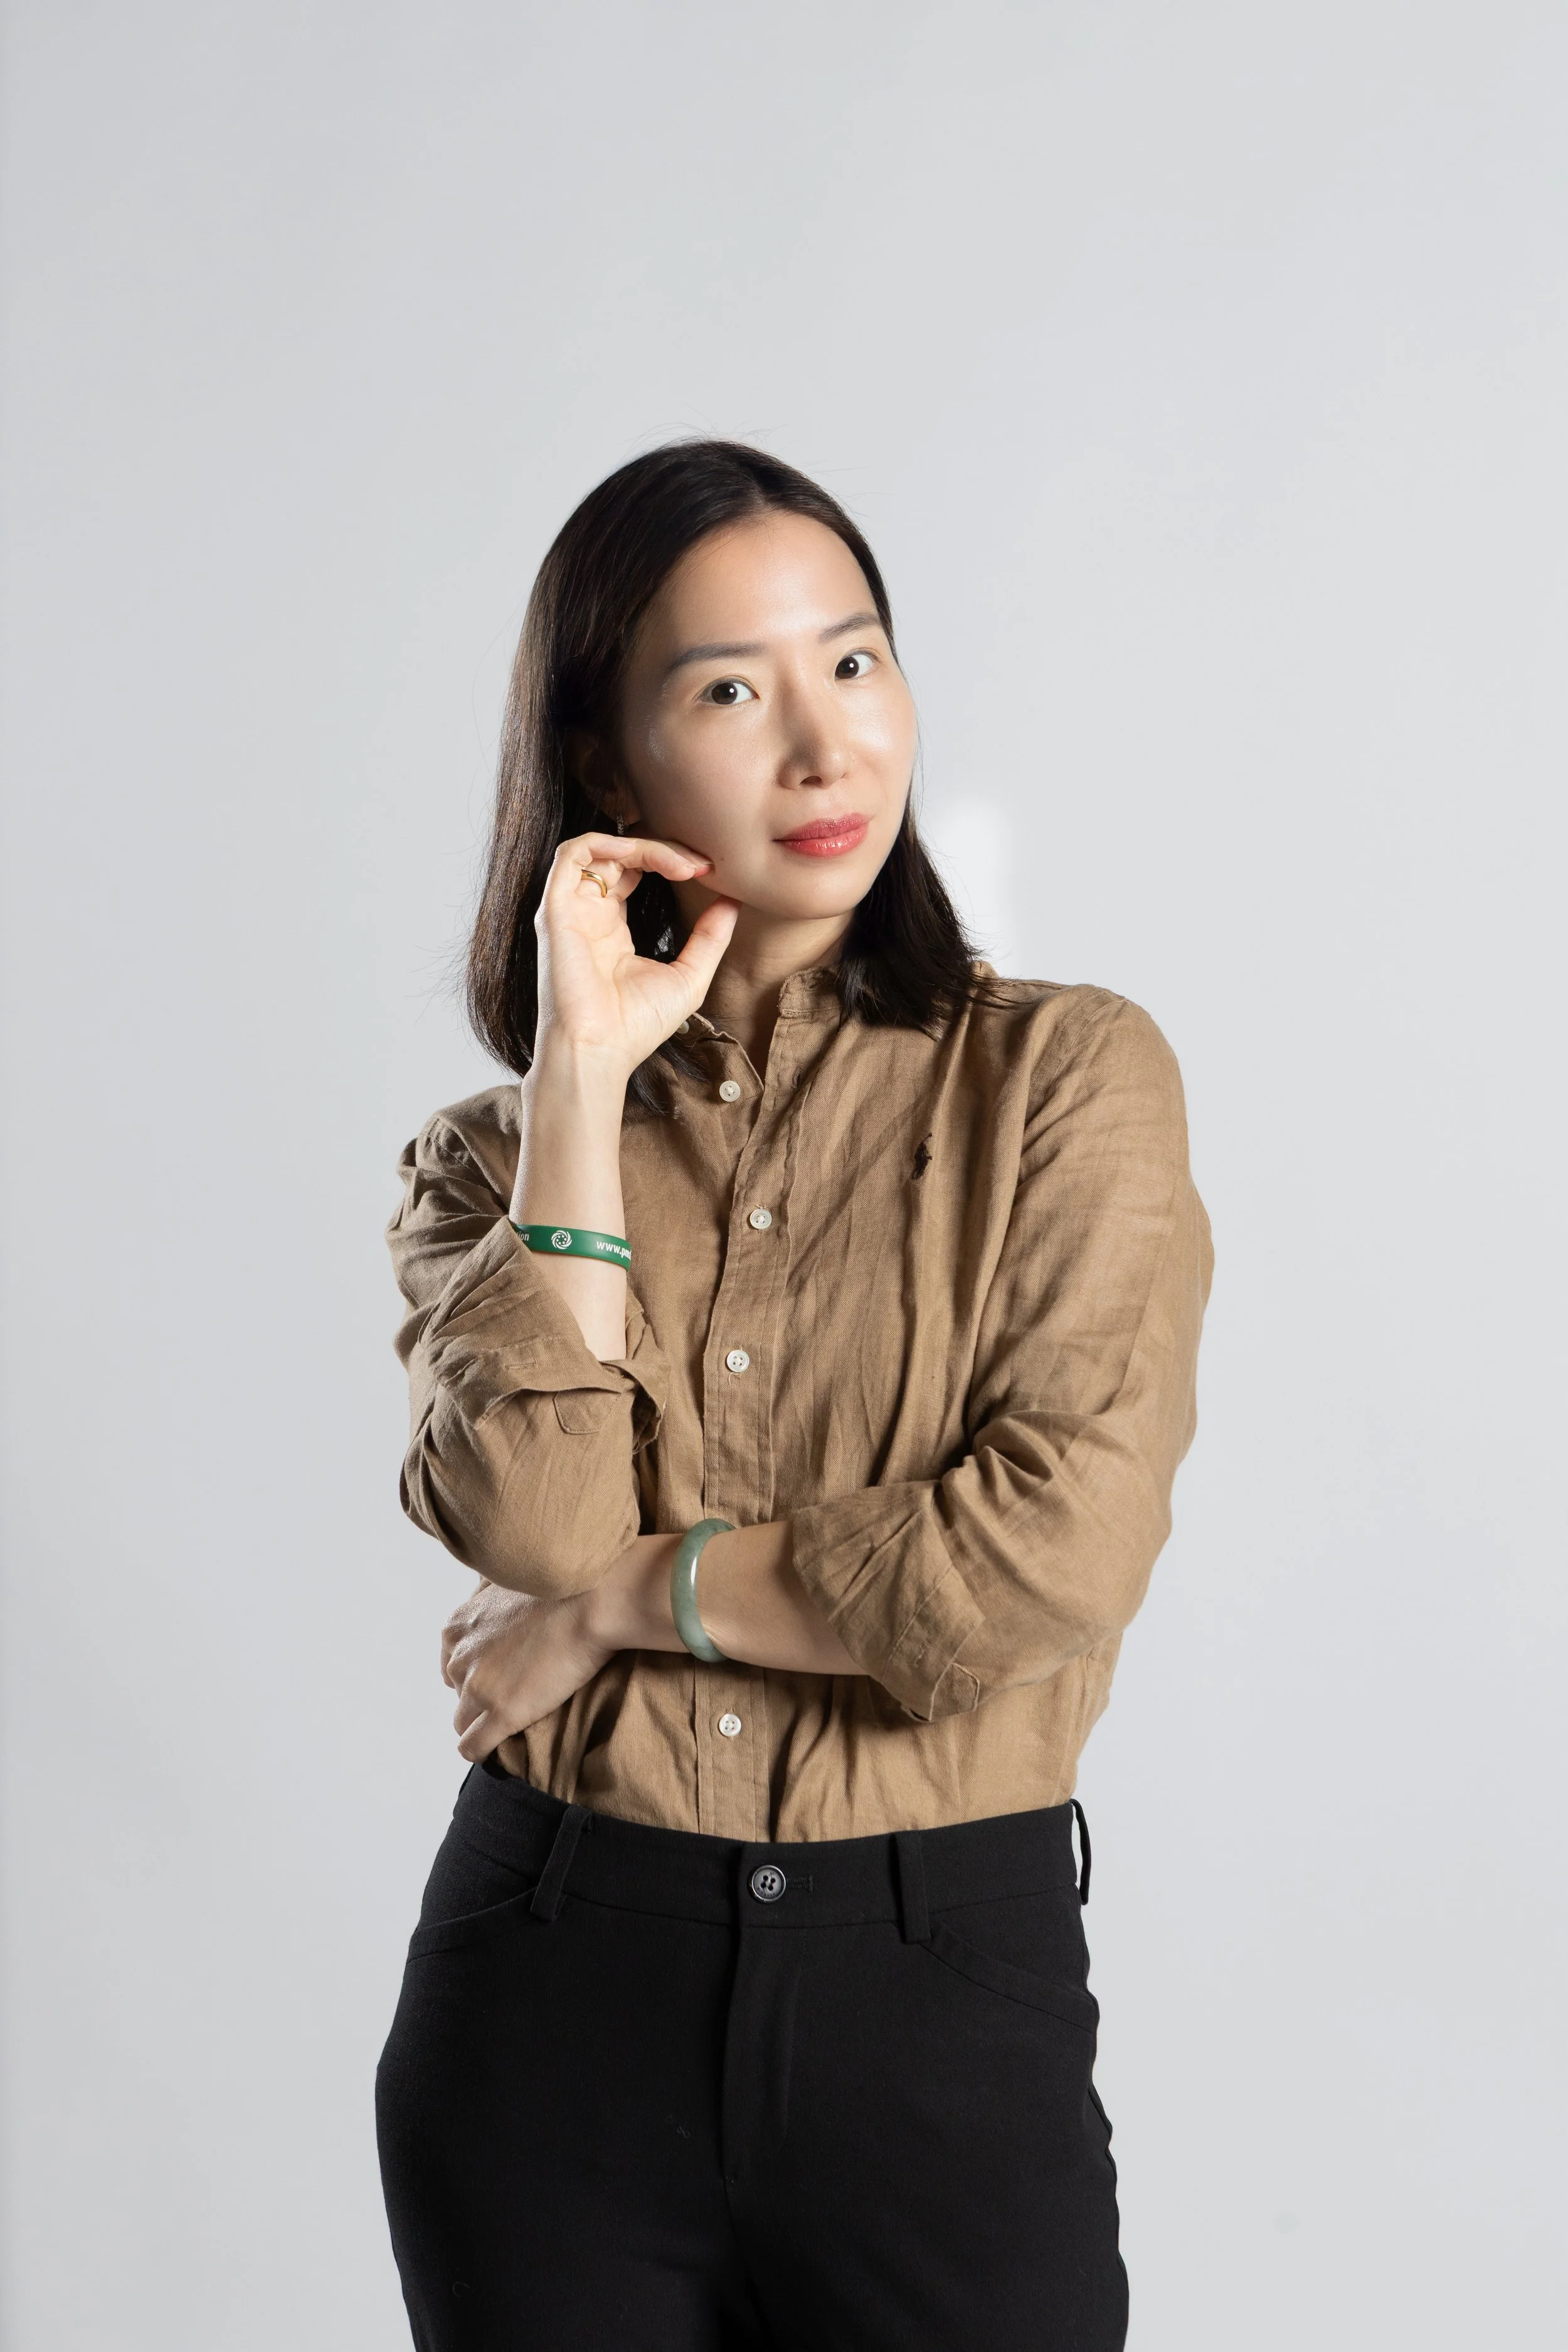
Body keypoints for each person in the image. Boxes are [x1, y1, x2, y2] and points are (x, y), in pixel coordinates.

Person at [374, 439, 1212, 2352]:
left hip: (938, 1999)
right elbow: (531, 1515)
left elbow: (1047, 1554)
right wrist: (579, 1087)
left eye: (852, 662)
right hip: (550, 1999)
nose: (822, 748)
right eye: (730, 691)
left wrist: (620, 1606)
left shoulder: (1066, 1083)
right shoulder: (478, 1166)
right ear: (603, 768)